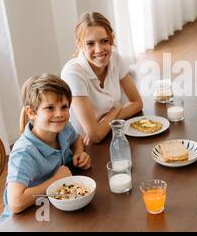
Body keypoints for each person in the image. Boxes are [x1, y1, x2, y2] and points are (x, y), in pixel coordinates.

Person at [0, 74, 91, 221]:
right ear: (32, 112)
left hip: (50, 208)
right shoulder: (24, 153)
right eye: (50, 108)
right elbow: (16, 202)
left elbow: (77, 139)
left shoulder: (64, 128)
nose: (59, 114)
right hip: (23, 220)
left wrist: (79, 152)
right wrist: (55, 181)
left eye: (64, 107)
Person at [61, 12, 143, 145]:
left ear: (112, 39)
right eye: (90, 43)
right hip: (81, 149)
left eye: (104, 41)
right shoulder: (73, 73)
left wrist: (103, 123)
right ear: (80, 45)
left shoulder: (115, 58)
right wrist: (116, 109)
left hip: (110, 135)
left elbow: (137, 103)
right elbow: (95, 136)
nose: (99, 50)